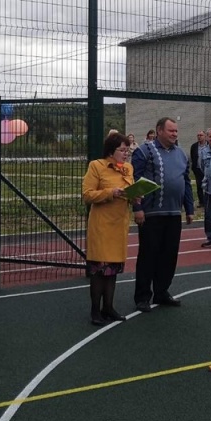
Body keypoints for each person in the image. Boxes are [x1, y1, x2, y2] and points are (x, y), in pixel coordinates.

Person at [131, 117, 195, 311]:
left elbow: (186, 182)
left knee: (169, 255)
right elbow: (135, 180)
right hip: (151, 214)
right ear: (159, 130)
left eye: (176, 131)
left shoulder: (182, 154)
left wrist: (189, 209)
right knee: (148, 256)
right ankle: (142, 296)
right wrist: (137, 208)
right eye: (171, 131)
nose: (175, 134)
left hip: (174, 213)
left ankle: (161, 292)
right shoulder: (144, 151)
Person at [82, 132, 134, 326]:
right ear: (111, 151)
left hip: (119, 225)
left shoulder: (128, 168)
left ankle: (109, 307)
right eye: (122, 150)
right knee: (99, 271)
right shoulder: (96, 166)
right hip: (102, 226)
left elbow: (130, 190)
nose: (126, 153)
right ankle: (95, 310)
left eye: (127, 150)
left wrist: (135, 196)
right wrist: (110, 193)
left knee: (113, 269)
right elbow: (87, 195)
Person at [190, 130, 207, 208]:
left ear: (205, 136)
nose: (199, 137)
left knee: (208, 186)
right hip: (197, 169)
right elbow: (192, 157)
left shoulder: (209, 145)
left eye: (201, 135)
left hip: (207, 169)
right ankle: (201, 202)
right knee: (199, 186)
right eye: (198, 135)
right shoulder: (194, 146)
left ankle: (208, 201)